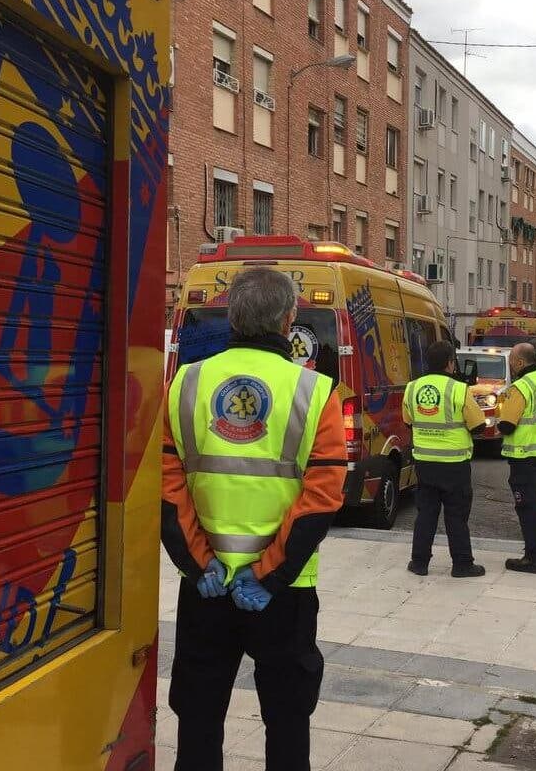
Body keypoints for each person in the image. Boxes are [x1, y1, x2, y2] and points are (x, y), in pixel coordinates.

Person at [161, 268, 348, 771]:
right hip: (283, 592)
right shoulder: (316, 392)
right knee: (287, 723)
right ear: (289, 320)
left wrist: (202, 567)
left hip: (206, 591)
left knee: (198, 721)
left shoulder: (184, 383)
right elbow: (322, 499)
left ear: (232, 316)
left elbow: (167, 490)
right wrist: (267, 575)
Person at [404, 340, 487, 578]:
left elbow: (408, 421)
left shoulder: (412, 388)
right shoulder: (459, 389)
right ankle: (462, 564)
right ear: (450, 363)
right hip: (454, 464)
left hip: (424, 463)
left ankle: (419, 563)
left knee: (426, 513)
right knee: (456, 515)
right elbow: (479, 425)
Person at [496, 342, 536, 573]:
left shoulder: (520, 387)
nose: (511, 365)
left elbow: (507, 424)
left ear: (520, 362)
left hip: (524, 456)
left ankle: (533, 558)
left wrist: (499, 416)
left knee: (527, 507)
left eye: (512, 361)